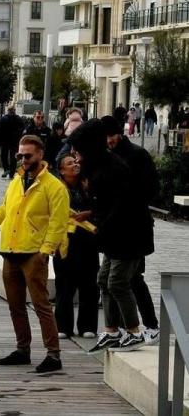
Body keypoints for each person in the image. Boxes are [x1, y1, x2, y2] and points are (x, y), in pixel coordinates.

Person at [68, 119, 151, 354]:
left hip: (130, 236)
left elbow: (122, 206)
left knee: (118, 282)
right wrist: (91, 214)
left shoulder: (113, 169)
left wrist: (99, 225)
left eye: (78, 149)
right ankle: (112, 331)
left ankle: (134, 332)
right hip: (115, 235)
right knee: (103, 280)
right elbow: (105, 203)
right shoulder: (98, 167)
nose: (74, 154)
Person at [0, 135, 70, 373]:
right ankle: (23, 349)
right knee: (15, 306)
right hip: (10, 250)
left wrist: (45, 251)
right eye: (20, 155)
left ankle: (53, 355)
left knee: (41, 304)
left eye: (28, 155)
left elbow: (58, 223)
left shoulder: (54, 186)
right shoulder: (16, 181)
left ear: (40, 155)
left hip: (34, 253)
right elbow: (5, 211)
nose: (23, 159)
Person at [101, 116, 160, 345]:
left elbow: (150, 190)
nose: (108, 141)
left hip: (134, 228)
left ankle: (149, 326)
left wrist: (124, 198)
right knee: (120, 279)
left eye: (111, 137)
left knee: (132, 278)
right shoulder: (108, 156)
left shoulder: (137, 155)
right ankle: (122, 328)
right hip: (114, 229)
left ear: (119, 133)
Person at [53, 154, 100, 339]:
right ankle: (63, 326)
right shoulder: (57, 188)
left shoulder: (89, 185)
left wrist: (90, 213)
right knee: (64, 284)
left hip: (88, 239)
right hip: (64, 240)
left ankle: (88, 325)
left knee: (89, 283)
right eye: (69, 163)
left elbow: (101, 207)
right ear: (62, 170)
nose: (75, 165)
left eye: (75, 162)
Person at [0, 106, 25, 179]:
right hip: (14, 140)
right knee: (13, 157)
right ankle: (11, 173)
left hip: (5, 140)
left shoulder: (4, 118)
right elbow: (22, 129)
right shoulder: (18, 119)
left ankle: (6, 169)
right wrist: (17, 135)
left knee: (4, 155)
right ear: (14, 110)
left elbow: (0, 130)